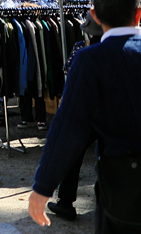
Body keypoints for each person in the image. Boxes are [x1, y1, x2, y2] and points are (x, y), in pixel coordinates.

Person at [28, 0, 141, 232]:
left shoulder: (89, 61)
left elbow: (69, 126)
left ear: (94, 16)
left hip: (118, 188)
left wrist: (43, 186)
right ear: (139, 13)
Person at [45, 14, 103, 222]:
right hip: (115, 113)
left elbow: (71, 83)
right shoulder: (122, 48)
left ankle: (65, 203)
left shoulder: (82, 50)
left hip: (87, 114)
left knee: (71, 153)